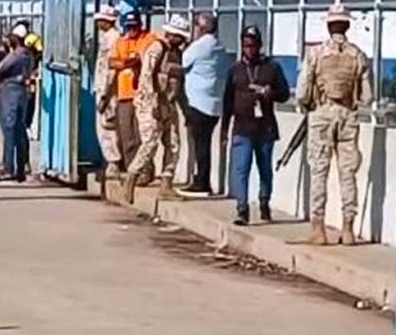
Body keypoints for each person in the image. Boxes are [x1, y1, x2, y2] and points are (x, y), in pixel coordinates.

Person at [295, 4, 371, 245]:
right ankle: (348, 229)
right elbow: (368, 96)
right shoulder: (358, 55)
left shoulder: (316, 53)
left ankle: (319, 229)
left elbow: (302, 91)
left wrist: (307, 104)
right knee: (348, 173)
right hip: (348, 115)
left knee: (319, 171)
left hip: (322, 113)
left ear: (329, 26)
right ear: (347, 25)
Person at [222, 25, 290, 225]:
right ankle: (242, 208)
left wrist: (270, 93)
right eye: (246, 45)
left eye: (253, 45)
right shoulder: (235, 69)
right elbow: (227, 100)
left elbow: (285, 94)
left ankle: (264, 201)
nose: (249, 49)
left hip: (265, 128)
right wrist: (225, 129)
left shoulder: (272, 67)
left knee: (264, 169)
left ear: (259, 46)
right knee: (241, 168)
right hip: (242, 127)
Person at [123, 15, 189, 204]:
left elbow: (178, 84)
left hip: (168, 104)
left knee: (173, 143)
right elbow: (146, 76)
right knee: (150, 142)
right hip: (150, 103)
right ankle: (132, 175)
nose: (181, 40)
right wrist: (153, 104)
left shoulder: (177, 54)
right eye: (179, 36)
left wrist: (184, 108)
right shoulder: (157, 48)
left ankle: (166, 184)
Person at [180, 12, 228, 195]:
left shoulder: (200, 46)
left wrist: (192, 41)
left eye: (195, 25)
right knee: (204, 143)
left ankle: (201, 182)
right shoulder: (218, 46)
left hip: (198, 102)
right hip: (214, 103)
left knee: (200, 144)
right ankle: (202, 178)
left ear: (201, 28)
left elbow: (184, 61)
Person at [109, 11, 156, 177]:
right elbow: (112, 62)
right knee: (127, 135)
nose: (132, 30)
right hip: (124, 95)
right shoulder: (120, 42)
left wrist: (133, 61)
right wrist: (127, 63)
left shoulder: (148, 39)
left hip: (143, 95)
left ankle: (146, 170)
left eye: (135, 26)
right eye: (129, 27)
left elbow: (144, 58)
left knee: (143, 136)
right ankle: (132, 171)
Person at [0, 26, 34, 183]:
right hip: (21, 94)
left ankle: (8, 168)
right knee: (19, 131)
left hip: (10, 94)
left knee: (9, 131)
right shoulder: (28, 55)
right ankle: (20, 169)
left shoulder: (16, 55)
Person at [93, 5, 122, 179]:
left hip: (109, 91)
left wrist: (105, 94)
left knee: (107, 127)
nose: (97, 23)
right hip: (104, 88)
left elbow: (111, 69)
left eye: (100, 20)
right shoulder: (106, 38)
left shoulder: (113, 39)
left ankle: (113, 163)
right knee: (105, 127)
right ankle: (111, 162)